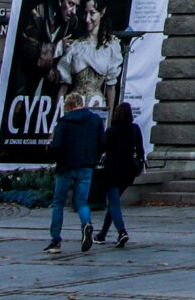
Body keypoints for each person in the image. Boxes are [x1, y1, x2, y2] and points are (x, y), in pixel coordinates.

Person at [44, 90, 104, 255]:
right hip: (86, 166)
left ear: (68, 106)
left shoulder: (64, 122)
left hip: (66, 167)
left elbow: (57, 146)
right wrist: (93, 158)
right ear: (81, 104)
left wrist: (55, 156)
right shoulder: (95, 120)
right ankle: (86, 224)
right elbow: (102, 142)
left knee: (58, 203)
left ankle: (55, 240)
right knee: (82, 202)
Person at [95, 99, 143, 248]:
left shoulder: (111, 131)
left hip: (113, 171)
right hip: (128, 172)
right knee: (113, 202)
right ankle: (102, 233)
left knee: (114, 202)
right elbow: (140, 150)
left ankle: (122, 232)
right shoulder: (135, 129)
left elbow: (101, 148)